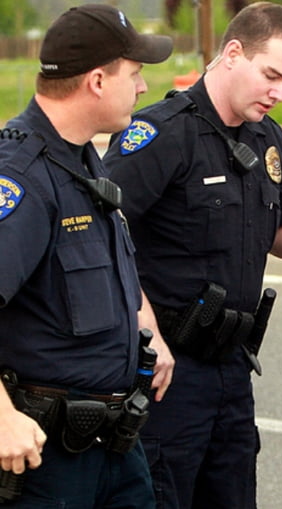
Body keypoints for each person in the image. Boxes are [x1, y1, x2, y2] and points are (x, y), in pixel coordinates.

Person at [102, 3, 282, 508]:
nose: (279, 93)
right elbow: (101, 235)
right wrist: (145, 330)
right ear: (233, 53)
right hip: (167, 374)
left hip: (233, 368)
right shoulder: (161, 134)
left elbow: (281, 231)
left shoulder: (269, 139)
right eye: (271, 76)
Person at [0, 4, 173, 508]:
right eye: (135, 73)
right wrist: (3, 418)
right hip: (45, 461)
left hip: (113, 445)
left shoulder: (80, 157)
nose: (142, 88)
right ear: (98, 80)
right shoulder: (22, 177)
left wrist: (148, 332)